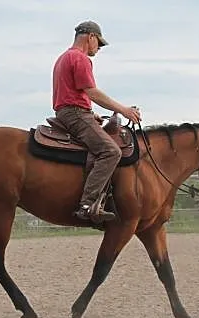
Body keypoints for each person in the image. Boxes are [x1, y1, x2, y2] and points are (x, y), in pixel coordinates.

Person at [51, 20, 141, 223]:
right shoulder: (80, 58)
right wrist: (123, 110)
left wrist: (91, 114)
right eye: (98, 43)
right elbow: (91, 92)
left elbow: (72, 94)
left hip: (71, 112)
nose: (99, 48)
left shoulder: (63, 57)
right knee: (111, 151)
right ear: (90, 36)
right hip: (75, 114)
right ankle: (88, 205)